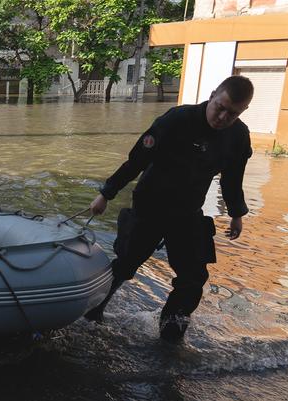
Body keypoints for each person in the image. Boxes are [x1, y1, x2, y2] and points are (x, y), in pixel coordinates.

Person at [84, 75, 254, 343]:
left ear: (242, 112)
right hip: (151, 205)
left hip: (187, 213)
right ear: (212, 95)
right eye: (220, 107)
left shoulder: (238, 137)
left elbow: (233, 178)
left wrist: (236, 214)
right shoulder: (177, 120)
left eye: (232, 113)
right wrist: (106, 193)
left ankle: (171, 336)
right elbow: (137, 160)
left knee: (193, 278)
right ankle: (91, 314)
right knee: (126, 265)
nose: (222, 116)